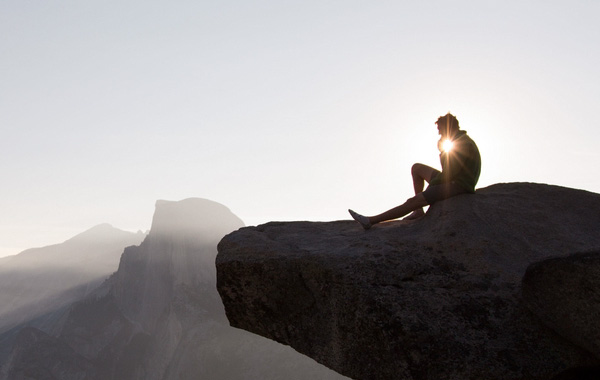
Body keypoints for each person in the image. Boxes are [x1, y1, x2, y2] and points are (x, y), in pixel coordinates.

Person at [349, 113, 481, 230]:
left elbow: (448, 174)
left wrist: (431, 188)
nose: (439, 134)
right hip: (453, 178)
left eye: (440, 131)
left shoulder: (461, 144)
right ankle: (418, 211)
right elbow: (448, 170)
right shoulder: (459, 140)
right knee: (417, 168)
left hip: (458, 184)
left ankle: (370, 221)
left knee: (412, 201)